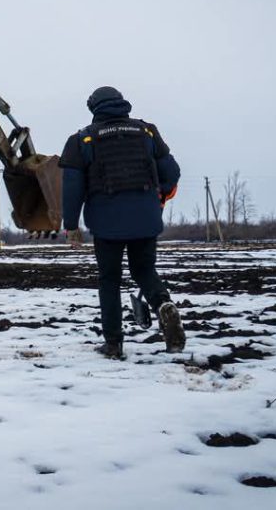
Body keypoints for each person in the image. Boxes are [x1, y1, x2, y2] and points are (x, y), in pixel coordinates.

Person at [59, 86, 185, 359]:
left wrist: (71, 225)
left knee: (110, 279)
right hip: (146, 218)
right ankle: (163, 304)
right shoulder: (147, 131)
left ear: (94, 108)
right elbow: (172, 172)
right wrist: (159, 193)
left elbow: (72, 188)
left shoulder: (82, 140)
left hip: (107, 223)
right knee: (144, 270)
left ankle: (114, 344)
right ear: (122, 103)